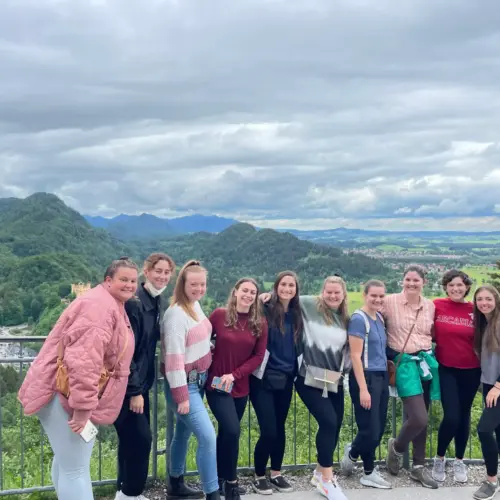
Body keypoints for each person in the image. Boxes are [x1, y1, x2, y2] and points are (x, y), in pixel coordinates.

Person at [18, 257, 138, 500]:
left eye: (133, 280)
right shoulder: (100, 308)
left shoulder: (109, 302)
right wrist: (83, 409)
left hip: (66, 393)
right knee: (76, 469)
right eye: (123, 279)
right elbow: (84, 361)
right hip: (64, 395)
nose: (129, 285)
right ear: (108, 280)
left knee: (68, 463)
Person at [114, 252, 176, 500]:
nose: (162, 276)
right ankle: (130, 493)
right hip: (129, 384)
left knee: (131, 439)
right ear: (146, 271)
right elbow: (127, 351)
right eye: (158, 271)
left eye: (167, 272)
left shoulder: (156, 301)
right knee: (141, 439)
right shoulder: (135, 303)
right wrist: (135, 391)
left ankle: (124, 490)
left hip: (141, 381)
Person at [283, 275, 350, 500]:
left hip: (334, 380)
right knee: (328, 422)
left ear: (343, 295)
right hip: (308, 378)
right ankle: (327, 481)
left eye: (336, 293)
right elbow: (285, 296)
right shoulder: (309, 305)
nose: (332, 296)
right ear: (322, 291)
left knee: (336, 426)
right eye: (328, 292)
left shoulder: (346, 319)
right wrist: (266, 296)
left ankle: (320, 472)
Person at [206, 278, 268, 500]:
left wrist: (235, 374)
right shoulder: (219, 315)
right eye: (245, 290)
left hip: (240, 386)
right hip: (217, 386)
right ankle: (231, 483)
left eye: (253, 292)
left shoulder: (259, 322)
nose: (248, 295)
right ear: (235, 292)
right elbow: (201, 339)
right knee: (232, 430)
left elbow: (259, 356)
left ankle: (219, 479)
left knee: (226, 434)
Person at [162, 260, 219, 500]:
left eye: (202, 284)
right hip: (184, 384)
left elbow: (198, 339)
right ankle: (212, 493)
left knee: (182, 435)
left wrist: (209, 350)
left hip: (199, 380)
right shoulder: (176, 315)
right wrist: (182, 396)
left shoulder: (194, 306)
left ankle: (175, 484)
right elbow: (173, 360)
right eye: (193, 284)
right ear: (182, 285)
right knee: (207, 437)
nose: (199, 288)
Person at [384, 264, 439, 489]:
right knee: (419, 418)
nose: (412, 284)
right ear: (402, 281)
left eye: (416, 280)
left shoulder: (430, 306)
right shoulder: (389, 302)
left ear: (423, 282)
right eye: (408, 280)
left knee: (421, 417)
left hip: (425, 362)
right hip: (404, 363)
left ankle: (418, 467)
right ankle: (396, 448)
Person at [249, 271, 303, 494]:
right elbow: (247, 305)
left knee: (279, 429)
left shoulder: (298, 313)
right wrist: (260, 296)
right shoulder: (266, 308)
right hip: (263, 379)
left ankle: (277, 473)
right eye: (283, 284)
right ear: (276, 286)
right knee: (269, 430)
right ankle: (259, 475)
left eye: (292, 285)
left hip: (286, 379)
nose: (287, 289)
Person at [340, 280, 391, 489]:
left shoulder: (379, 317)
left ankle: (356, 455)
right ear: (364, 295)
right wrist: (363, 388)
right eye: (373, 296)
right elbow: (355, 355)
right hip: (365, 377)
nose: (378, 300)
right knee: (369, 428)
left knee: (378, 428)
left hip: (382, 376)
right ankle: (361, 463)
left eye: (381, 296)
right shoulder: (359, 320)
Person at [431, 269, 479, 484]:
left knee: (464, 415)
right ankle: (440, 457)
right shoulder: (436, 306)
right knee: (451, 416)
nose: (456, 289)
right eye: (451, 285)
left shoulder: (475, 310)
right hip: (447, 368)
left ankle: (459, 460)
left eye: (460, 285)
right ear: (445, 287)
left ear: (467, 287)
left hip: (472, 369)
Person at [472, 285, 500, 500]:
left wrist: (497, 387)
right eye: (480, 299)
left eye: (488, 298)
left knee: (484, 430)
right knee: (498, 432)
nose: (484, 303)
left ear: (496, 299)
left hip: (497, 388)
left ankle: (491, 481)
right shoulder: (485, 322)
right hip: (489, 385)